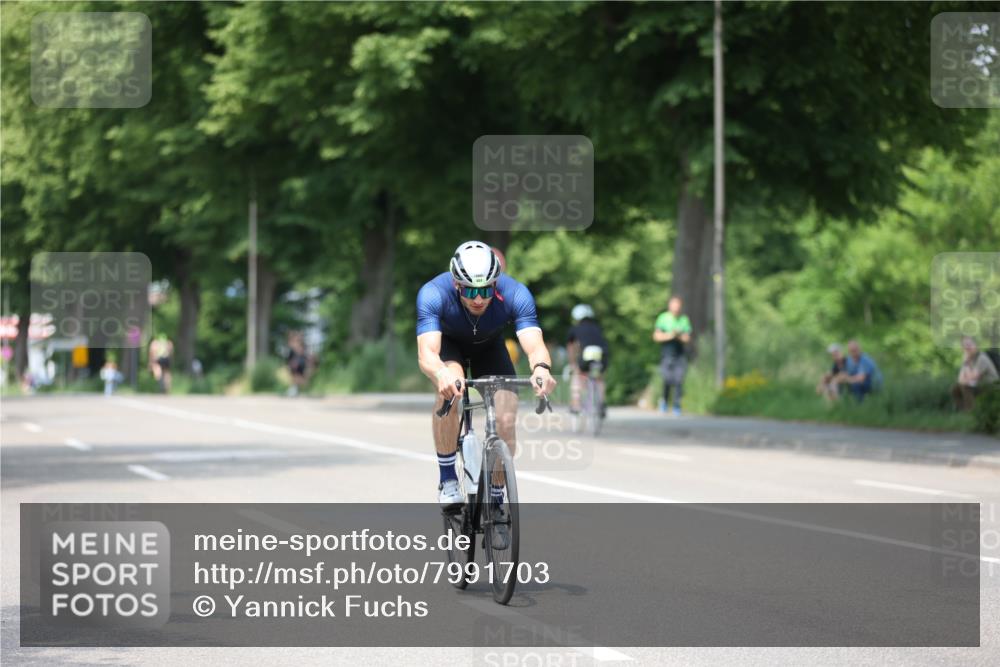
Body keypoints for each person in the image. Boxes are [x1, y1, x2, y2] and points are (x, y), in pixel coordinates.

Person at [416, 240, 556, 509]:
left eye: (485, 290)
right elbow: (427, 353)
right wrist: (441, 373)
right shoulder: (434, 293)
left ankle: (496, 497)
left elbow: (535, 345)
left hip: (490, 348)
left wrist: (541, 368)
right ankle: (447, 480)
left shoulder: (516, 293)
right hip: (450, 347)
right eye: (469, 290)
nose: (478, 298)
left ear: (496, 282)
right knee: (451, 393)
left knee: (506, 418)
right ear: (457, 284)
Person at [567, 304, 610, 417]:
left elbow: (571, 348)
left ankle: (576, 405)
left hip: (587, 355)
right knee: (599, 378)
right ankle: (601, 403)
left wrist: (572, 363)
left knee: (577, 374)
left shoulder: (575, 328)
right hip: (601, 355)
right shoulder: (598, 327)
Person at [652, 296, 692, 416]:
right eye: (674, 306)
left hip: (680, 354)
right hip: (667, 353)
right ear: (670, 306)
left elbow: (687, 338)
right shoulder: (663, 318)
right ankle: (664, 400)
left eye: (678, 306)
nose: (676, 308)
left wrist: (678, 336)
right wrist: (670, 335)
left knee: (679, 379)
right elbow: (656, 336)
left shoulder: (684, 320)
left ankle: (676, 405)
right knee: (667, 379)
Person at [951, 336, 999, 411]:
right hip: (981, 385)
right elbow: (960, 380)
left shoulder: (982, 358)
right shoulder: (969, 360)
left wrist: (965, 363)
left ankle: (971, 412)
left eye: (970, 344)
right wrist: (965, 363)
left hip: (992, 387)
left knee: (965, 386)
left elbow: (972, 378)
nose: (967, 347)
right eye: (965, 345)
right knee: (955, 389)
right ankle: (962, 411)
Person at [286, 331, 312, 397]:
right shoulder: (293, 346)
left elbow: (304, 355)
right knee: (295, 377)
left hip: (298, 363)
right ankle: (295, 389)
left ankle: (295, 389)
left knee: (298, 378)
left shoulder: (301, 346)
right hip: (295, 363)